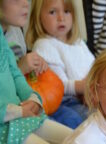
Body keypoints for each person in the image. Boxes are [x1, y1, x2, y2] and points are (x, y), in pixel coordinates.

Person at [1, 0, 83, 129]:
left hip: (30, 100)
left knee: (74, 119)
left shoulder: (15, 31)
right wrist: (21, 68)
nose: (26, 3)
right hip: (11, 112)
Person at [26, 0, 95, 122]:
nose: (61, 18)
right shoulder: (44, 45)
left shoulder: (78, 43)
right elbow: (57, 86)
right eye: (52, 12)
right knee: (86, 120)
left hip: (88, 96)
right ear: (38, 17)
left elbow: (94, 68)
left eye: (67, 11)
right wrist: (82, 87)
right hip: (64, 102)